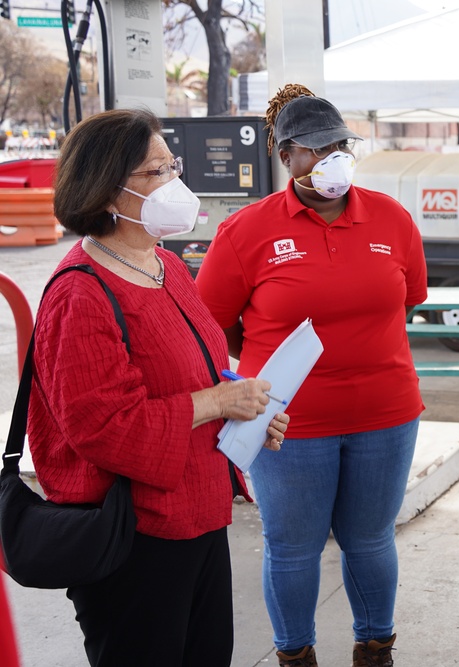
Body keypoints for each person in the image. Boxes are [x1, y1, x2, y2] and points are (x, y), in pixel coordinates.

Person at [27, 108, 289, 666]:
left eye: (173, 165)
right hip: (132, 536)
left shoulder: (166, 265)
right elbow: (101, 427)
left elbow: (200, 369)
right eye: (156, 173)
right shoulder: (81, 294)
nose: (175, 183)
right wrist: (216, 402)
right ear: (106, 190)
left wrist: (247, 408)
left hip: (199, 515)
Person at [196, 84, 427, 667]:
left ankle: (376, 648)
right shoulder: (246, 231)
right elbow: (210, 325)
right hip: (286, 425)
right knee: (292, 547)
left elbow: (409, 299)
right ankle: (295, 655)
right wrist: (260, 373)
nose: (333, 158)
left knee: (371, 540)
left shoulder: (391, 218)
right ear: (287, 156)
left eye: (340, 144)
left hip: (385, 414)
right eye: (317, 148)